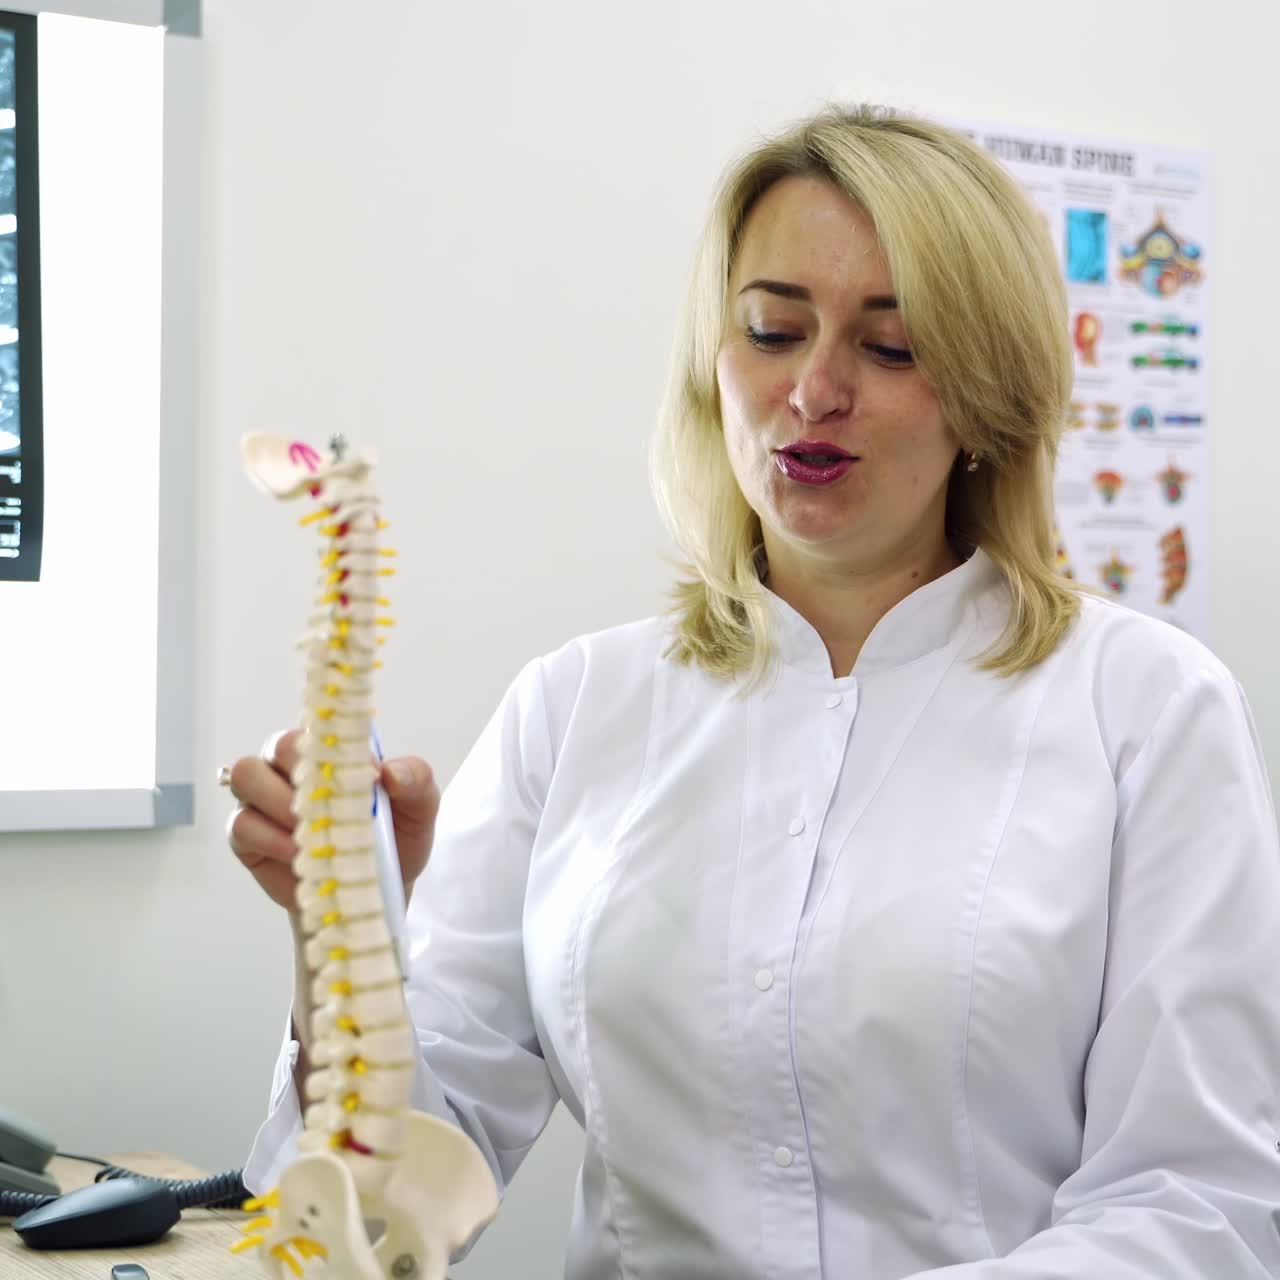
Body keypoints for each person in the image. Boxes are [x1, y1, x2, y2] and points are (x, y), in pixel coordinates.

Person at [227, 104, 1280, 1278]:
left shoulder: (1147, 709)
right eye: (772, 329)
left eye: (889, 346)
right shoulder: (575, 705)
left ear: (987, 394)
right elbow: (370, 1211)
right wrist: (341, 942)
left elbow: (1196, 1203)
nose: (812, 389)